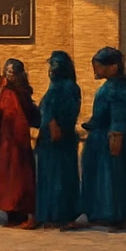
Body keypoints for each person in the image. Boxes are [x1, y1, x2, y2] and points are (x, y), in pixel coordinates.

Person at [81, 46, 126, 229]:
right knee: (101, 176)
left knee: (113, 177)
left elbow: (122, 114)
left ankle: (116, 214)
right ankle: (99, 212)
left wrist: (116, 134)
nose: (96, 70)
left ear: (113, 67)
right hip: (100, 137)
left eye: (100, 66)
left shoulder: (119, 88)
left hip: (110, 139)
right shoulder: (110, 86)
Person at [0, 58, 40, 228]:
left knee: (18, 178)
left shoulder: (19, 91)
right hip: (7, 143)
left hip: (15, 143)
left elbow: (28, 116)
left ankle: (20, 213)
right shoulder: (5, 92)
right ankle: (13, 213)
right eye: (8, 73)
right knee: (9, 178)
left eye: (13, 73)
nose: (10, 76)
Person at [34, 50, 83, 229]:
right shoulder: (67, 86)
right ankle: (57, 215)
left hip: (57, 139)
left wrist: (55, 128)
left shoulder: (61, 87)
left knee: (58, 177)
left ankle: (57, 215)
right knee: (59, 176)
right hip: (59, 139)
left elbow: (52, 113)